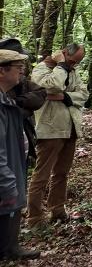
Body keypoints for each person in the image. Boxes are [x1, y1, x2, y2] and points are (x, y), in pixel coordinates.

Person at [27, 43, 88, 229]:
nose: (74, 65)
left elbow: (84, 94)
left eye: (77, 63)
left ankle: (58, 210)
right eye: (72, 61)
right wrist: (61, 67)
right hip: (50, 129)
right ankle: (35, 217)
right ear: (62, 54)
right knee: (41, 175)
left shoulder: (71, 70)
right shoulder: (41, 69)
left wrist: (66, 97)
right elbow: (53, 86)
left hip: (70, 128)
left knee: (62, 173)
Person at [0, 48, 40, 260]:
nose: (22, 72)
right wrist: (7, 184)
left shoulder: (6, 99)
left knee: (11, 211)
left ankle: (10, 248)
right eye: (18, 68)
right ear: (2, 72)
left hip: (15, 164)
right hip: (6, 173)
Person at [0, 38, 46, 169]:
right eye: (18, 66)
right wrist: (14, 110)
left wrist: (16, 103)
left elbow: (41, 94)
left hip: (20, 145)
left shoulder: (20, 81)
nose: (21, 70)